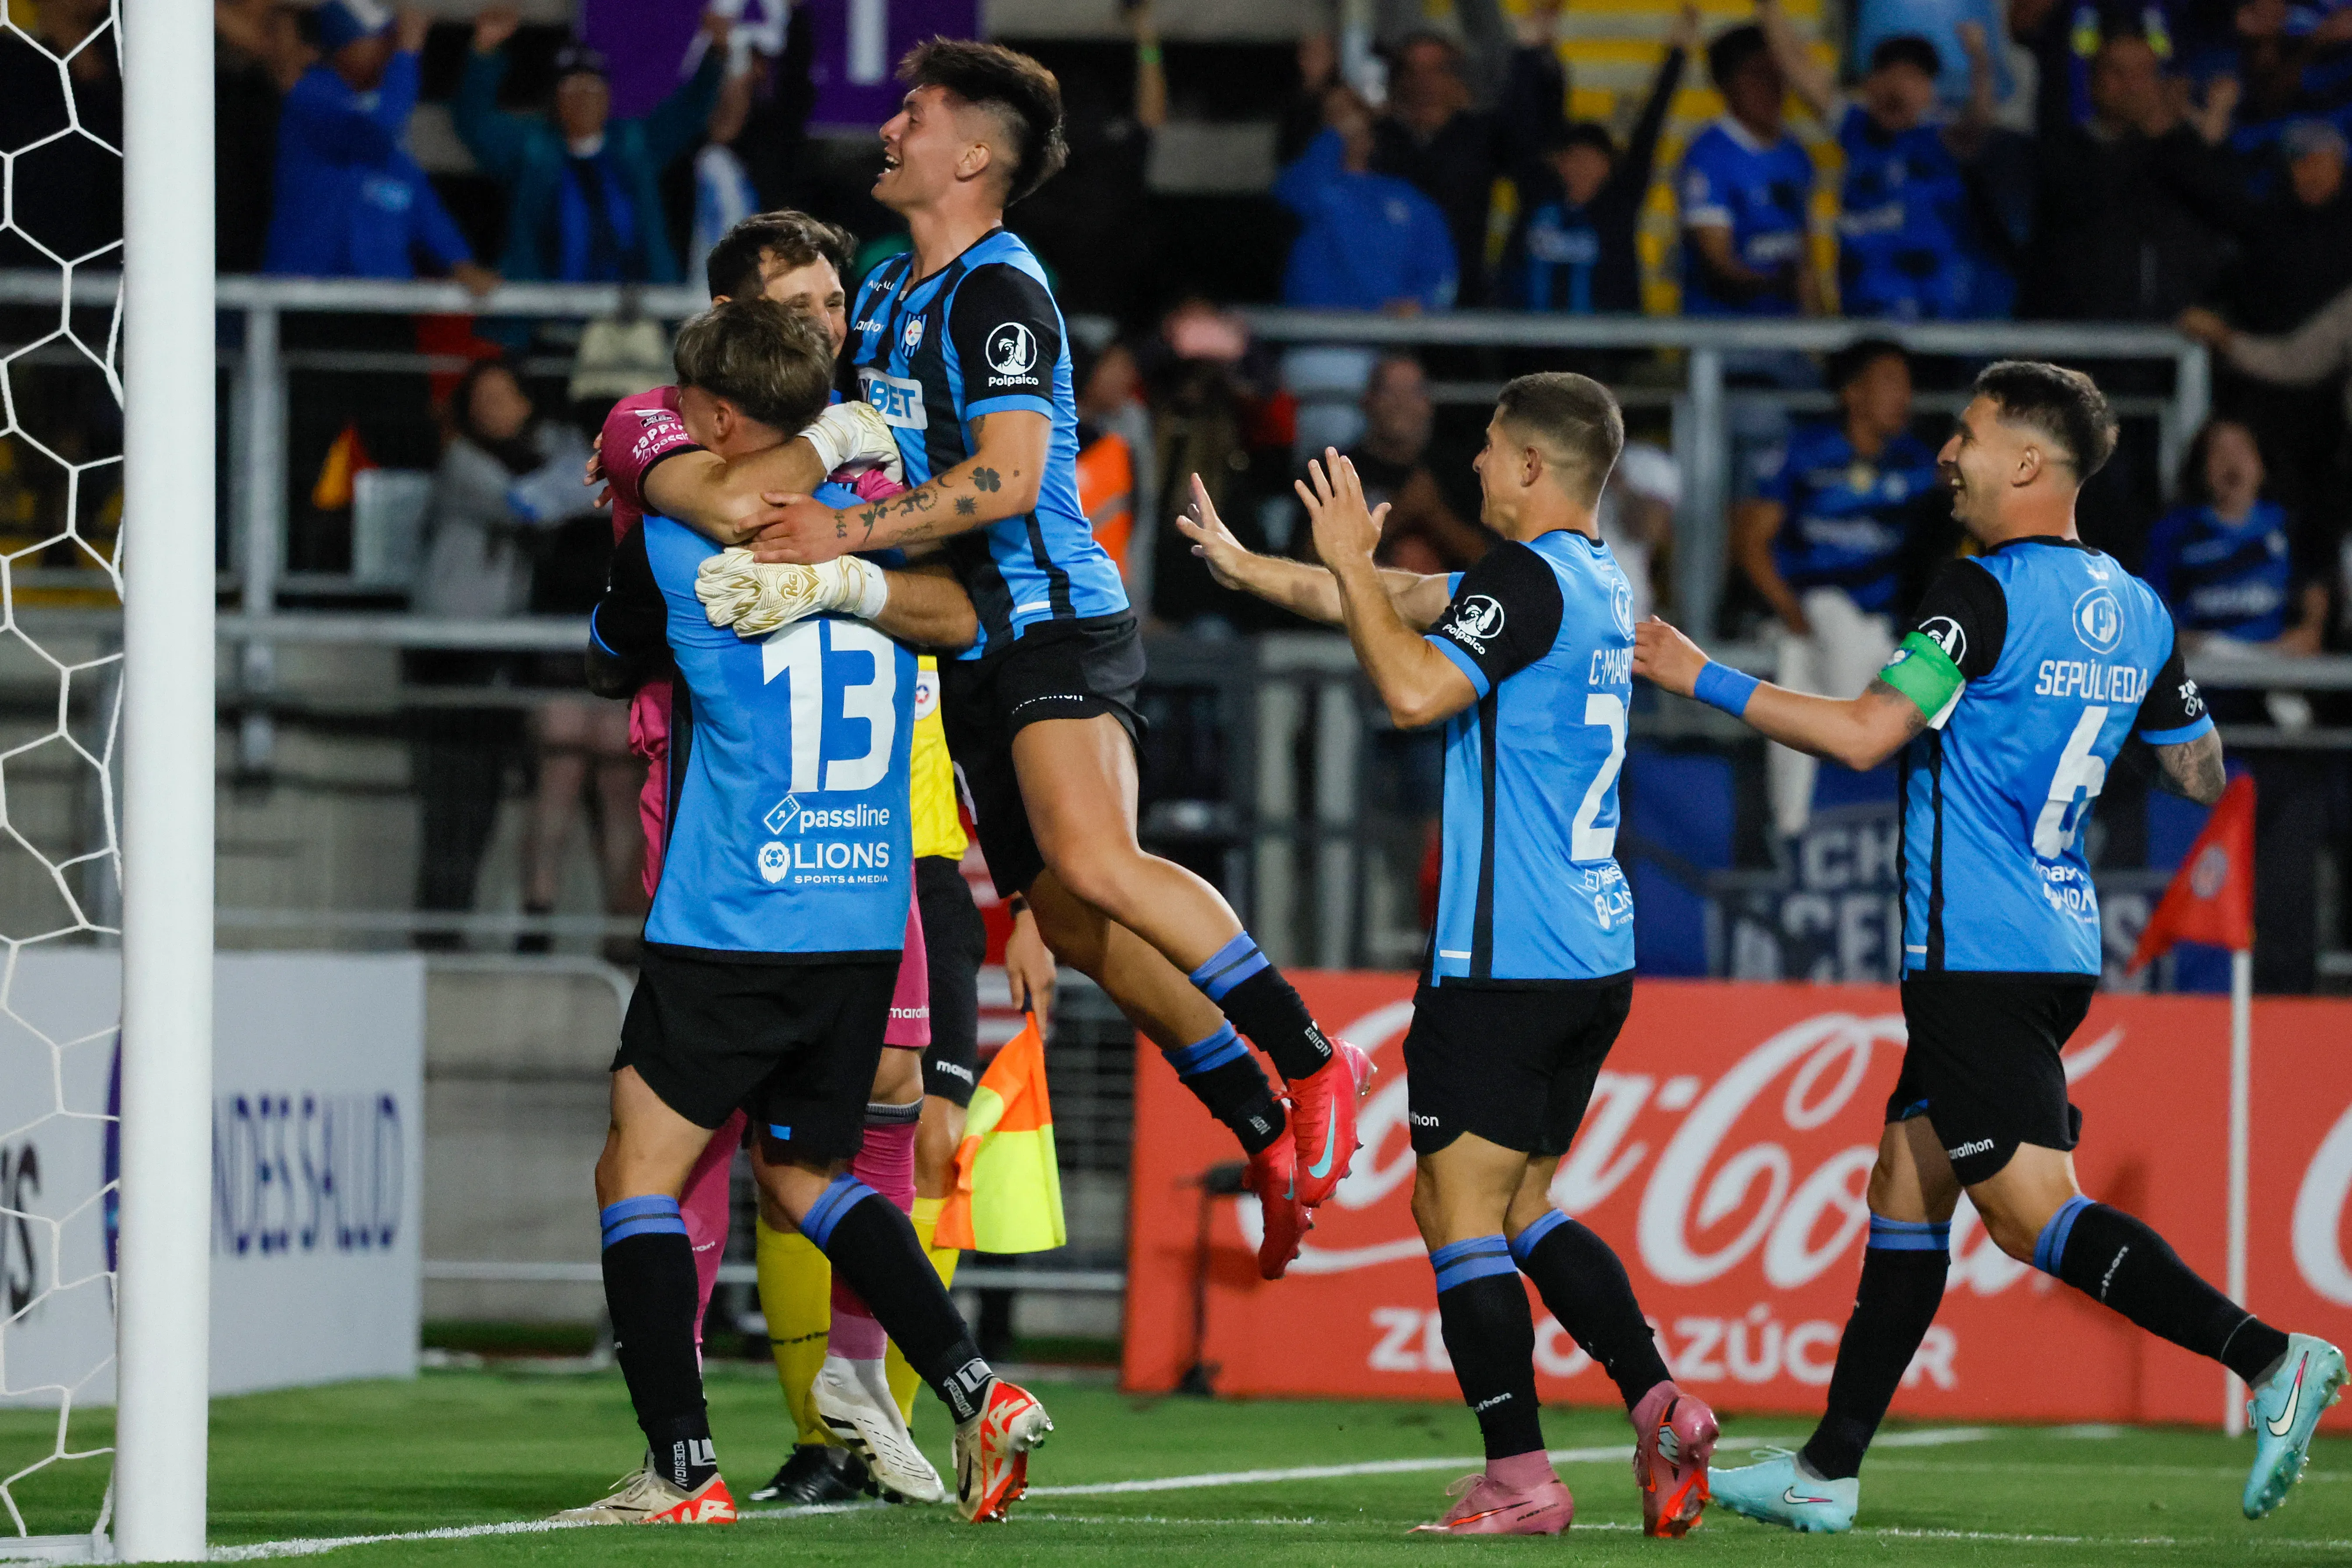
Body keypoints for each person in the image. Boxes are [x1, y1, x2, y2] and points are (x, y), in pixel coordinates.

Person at [697, 42, 1375, 1280]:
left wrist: (838, 534)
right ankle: (1262, 1118)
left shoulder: (1001, 290)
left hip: (1050, 616)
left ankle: (1322, 1058)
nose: (890, 127)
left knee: (1094, 861)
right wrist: (691, 467)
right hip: (970, 641)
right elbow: (853, 432)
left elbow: (1007, 477)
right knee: (1071, 917)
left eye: (915, 112)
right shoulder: (897, 287)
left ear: (971, 156)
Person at [1635, 360, 2342, 1531]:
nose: (1942, 456)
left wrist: (1695, 671)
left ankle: (2269, 1354)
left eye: (1963, 436)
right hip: (2056, 941)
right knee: (1905, 1182)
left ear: (2025, 461)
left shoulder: (1979, 592)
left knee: (2026, 1213)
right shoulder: (2138, 603)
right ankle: (1827, 1465)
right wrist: (2087, 709)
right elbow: (2197, 766)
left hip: (1979, 952)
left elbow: (1867, 734)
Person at [1171, 376, 1718, 1539]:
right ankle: (1660, 1399)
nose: (1471, 465)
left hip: (1503, 951)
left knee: (1450, 1205)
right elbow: (1410, 597)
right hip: (1589, 946)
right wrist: (1248, 565)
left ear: (1532, 466)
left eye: (1487, 448)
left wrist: (1343, 557)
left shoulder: (1524, 580)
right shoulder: (1595, 579)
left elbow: (1414, 683)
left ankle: (1519, 1478)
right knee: (1524, 1205)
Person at [589, 211, 1057, 1511]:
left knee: (640, 1156)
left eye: (834, 299)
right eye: (797, 304)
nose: (827, 319)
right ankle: (973, 1386)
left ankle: (683, 1463)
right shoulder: (873, 510)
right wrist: (845, 511)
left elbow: (634, 612)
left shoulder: (716, 517)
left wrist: (693, 547)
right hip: (857, 892)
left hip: (737, 896)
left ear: (723, 409)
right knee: (805, 1174)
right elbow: (969, 615)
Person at [2143, 417, 2329, 993]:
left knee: (2285, 873)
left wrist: (2249, 653)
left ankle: (2287, 993)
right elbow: (2155, 619)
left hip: (2279, 734)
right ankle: (2194, 994)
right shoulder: (2175, 533)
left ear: (2262, 463)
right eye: (2215, 450)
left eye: (2240, 447)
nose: (2229, 461)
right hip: (2197, 734)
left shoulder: (2294, 532)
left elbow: (2310, 634)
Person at [1734, 340, 1943, 838]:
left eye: (1907, 383)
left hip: (1892, 626)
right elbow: (1749, 540)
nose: (1903, 396)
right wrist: (1790, 611)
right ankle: (1793, 821)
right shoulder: (1804, 454)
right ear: (1853, 392)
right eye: (1889, 382)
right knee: (1814, 634)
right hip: (1815, 610)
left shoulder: (1917, 463)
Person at [455, 7, 725, 286]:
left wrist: (715, 54)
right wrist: (484, 53)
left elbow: (689, 111)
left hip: (633, 316)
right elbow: (475, 124)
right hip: (548, 318)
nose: (583, 98)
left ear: (608, 98)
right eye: (571, 88)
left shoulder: (633, 145)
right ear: (555, 102)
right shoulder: (533, 148)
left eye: (592, 88)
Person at [1759, 8, 1999, 320]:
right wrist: (1768, 8)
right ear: (1868, 84)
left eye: (1912, 77)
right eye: (1888, 74)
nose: (1897, 88)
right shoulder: (1854, 130)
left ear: (1929, 91)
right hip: (1865, 320)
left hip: (1934, 325)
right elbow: (1798, 68)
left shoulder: (1940, 141)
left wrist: (1980, 61)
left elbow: (1979, 122)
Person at [260, 0, 496, 291]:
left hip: (383, 299)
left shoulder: (386, 111)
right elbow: (377, 130)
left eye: (390, 40)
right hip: (307, 298)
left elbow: (415, 197)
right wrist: (407, 54)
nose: (388, 50)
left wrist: (459, 261)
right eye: (377, 41)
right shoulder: (312, 96)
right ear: (343, 47)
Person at [1500, 7, 1694, 314]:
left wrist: (1677, 55)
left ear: (1609, 168)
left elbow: (1648, 131)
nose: (1582, 171)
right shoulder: (1536, 193)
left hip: (1604, 357)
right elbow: (1522, 127)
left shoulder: (1618, 204)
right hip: (1528, 355)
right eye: (1574, 161)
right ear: (1558, 163)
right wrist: (1528, 52)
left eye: (1593, 164)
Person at [1371, 8, 1570, 305]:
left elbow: (1536, 155)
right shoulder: (1374, 139)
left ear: (1457, 78)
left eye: (1438, 69)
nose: (1424, 83)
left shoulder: (1481, 135)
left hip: (1462, 299)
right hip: (1381, 298)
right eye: (1413, 71)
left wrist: (1529, 58)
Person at [1273, 85, 1459, 314]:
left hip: (1383, 337)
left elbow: (1439, 270)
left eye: (1354, 115)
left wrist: (1420, 304)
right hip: (1318, 336)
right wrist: (1334, 136)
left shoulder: (1406, 199)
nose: (1350, 124)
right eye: (1336, 116)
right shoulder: (1309, 186)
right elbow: (1295, 195)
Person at [1677, 21, 1820, 316]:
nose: (1771, 85)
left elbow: (1806, 254)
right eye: (1757, 75)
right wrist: (1777, 285)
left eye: (1777, 74)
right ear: (1726, 84)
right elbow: (1717, 265)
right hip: (1726, 338)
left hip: (1788, 335)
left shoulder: (1796, 153)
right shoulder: (1709, 155)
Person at [1335, 355, 1492, 575]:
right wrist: (1399, 514)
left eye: (1413, 392)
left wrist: (1434, 513)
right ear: (1368, 400)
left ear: (1429, 403)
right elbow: (1308, 560)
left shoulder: (1463, 471)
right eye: (1390, 392)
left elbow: (1492, 559)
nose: (1402, 403)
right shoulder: (1337, 469)